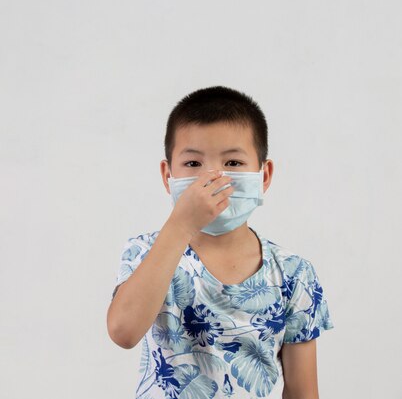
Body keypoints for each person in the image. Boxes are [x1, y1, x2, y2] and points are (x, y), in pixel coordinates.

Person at [106, 86, 334, 399]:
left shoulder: (294, 274)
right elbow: (123, 331)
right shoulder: (145, 252)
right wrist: (182, 224)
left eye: (234, 163)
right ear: (167, 175)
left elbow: (303, 390)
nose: (212, 178)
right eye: (193, 164)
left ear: (263, 176)